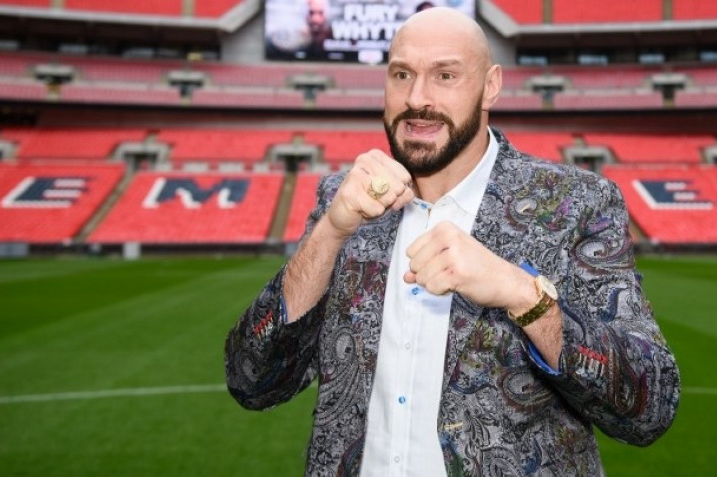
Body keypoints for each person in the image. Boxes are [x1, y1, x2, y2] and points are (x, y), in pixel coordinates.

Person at [226, 7, 679, 476]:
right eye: (402, 74)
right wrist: (331, 231)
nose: (417, 98)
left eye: (445, 75)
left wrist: (525, 296)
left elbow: (650, 408)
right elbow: (251, 380)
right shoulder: (342, 202)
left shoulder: (573, 203)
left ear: (491, 86)